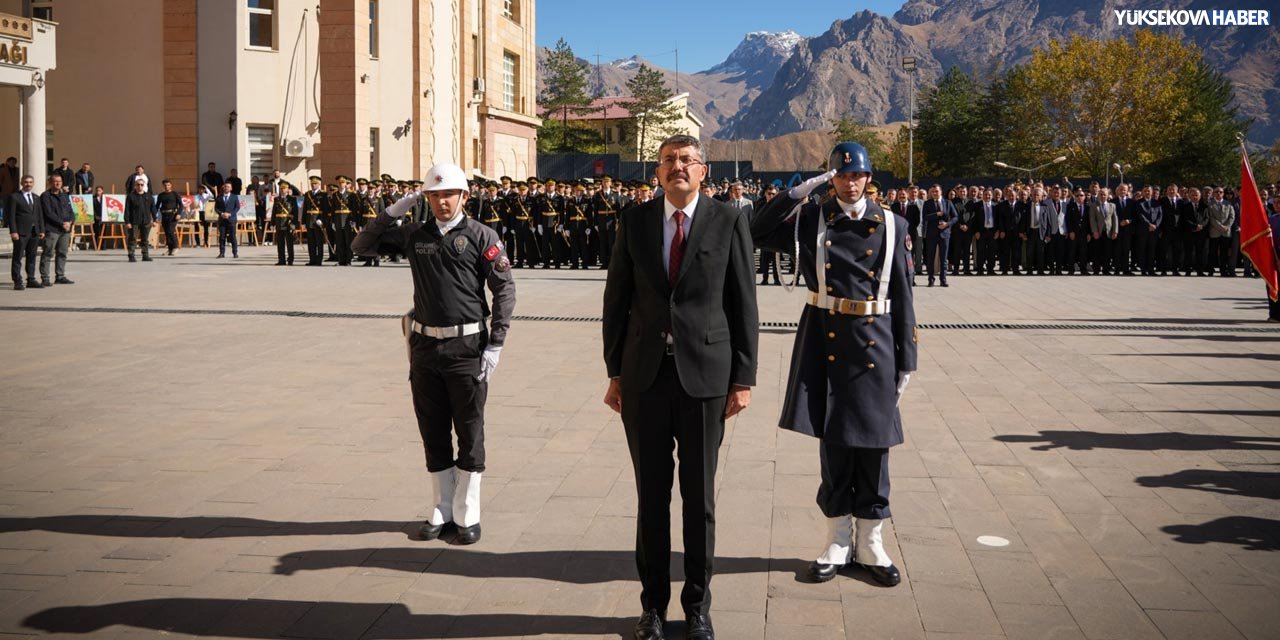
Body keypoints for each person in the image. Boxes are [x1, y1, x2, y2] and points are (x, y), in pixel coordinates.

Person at [602, 134, 759, 640]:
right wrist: (615, 372)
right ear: (657, 172)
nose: (678, 167)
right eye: (669, 160)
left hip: (705, 379)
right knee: (651, 499)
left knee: (699, 499)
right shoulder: (634, 220)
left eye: (688, 160)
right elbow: (616, 300)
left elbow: (743, 303)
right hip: (645, 379)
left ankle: (697, 607)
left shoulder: (728, 220)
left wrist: (743, 378)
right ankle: (652, 607)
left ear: (703, 170)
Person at [752, 142, 916, 590]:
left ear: (868, 178)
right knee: (834, 441)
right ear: (831, 179)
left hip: (876, 342)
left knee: (875, 443)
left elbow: (904, 293)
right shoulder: (811, 219)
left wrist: (908, 358)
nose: (849, 182)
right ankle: (838, 540)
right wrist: (795, 193)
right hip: (825, 336)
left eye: (856, 175)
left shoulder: (893, 225)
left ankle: (872, 541)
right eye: (840, 176)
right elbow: (757, 230)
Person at [352, 162, 515, 547]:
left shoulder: (481, 235)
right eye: (435, 195)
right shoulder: (415, 234)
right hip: (425, 347)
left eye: (449, 194)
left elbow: (504, 289)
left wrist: (496, 342)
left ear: (464, 196)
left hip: (467, 347)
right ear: (426, 198)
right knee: (432, 427)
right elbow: (361, 246)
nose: (442, 202)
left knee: (469, 429)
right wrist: (393, 211)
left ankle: (467, 509)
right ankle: (442, 506)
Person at [7, 174, 44, 290]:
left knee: (32, 256)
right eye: (26, 182)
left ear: (33, 184)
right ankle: (17, 281)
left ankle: (31, 279)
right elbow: (11, 216)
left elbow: (39, 215)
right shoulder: (14, 197)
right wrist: (13, 231)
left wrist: (41, 230)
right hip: (20, 232)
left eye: (30, 182)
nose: (28, 184)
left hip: (34, 232)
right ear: (21, 183)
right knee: (17, 257)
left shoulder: (36, 197)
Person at [38, 175, 75, 285]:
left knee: (62, 253)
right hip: (52, 229)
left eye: (60, 181)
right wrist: (62, 223)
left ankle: (60, 276)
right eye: (55, 181)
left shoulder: (65, 195)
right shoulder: (45, 196)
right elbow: (48, 213)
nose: (58, 183)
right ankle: (45, 278)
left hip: (65, 230)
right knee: (48, 253)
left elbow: (71, 211)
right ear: (50, 182)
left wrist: (70, 221)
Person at [921, 184, 956, 287]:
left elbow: (955, 217)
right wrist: (937, 214)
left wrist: (947, 224)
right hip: (931, 234)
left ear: (941, 192)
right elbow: (925, 217)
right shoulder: (927, 203)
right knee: (930, 258)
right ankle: (931, 279)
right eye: (933, 192)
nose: (934, 193)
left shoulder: (947, 202)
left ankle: (943, 279)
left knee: (944, 258)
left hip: (944, 234)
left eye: (936, 191)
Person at [124, 178, 155, 262]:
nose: (140, 186)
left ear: (144, 186)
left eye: (141, 185)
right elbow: (127, 210)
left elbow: (153, 208)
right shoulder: (131, 196)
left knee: (145, 239)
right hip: (134, 221)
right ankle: (131, 255)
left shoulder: (149, 196)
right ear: (135, 186)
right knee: (132, 239)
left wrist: (154, 219)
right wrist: (127, 222)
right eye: (138, 185)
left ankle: (145, 255)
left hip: (146, 221)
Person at [1208, 187, 1236, 276]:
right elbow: (1211, 217)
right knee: (1212, 252)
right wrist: (1220, 226)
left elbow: (1232, 216)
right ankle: (1211, 270)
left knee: (1224, 253)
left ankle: (1223, 271)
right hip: (1215, 231)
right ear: (1214, 193)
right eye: (1216, 192)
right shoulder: (1210, 204)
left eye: (1220, 192)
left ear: (1223, 194)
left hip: (1225, 232)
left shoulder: (1228, 204)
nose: (1219, 193)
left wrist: (1227, 226)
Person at [302, 176, 329, 266]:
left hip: (318, 221)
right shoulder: (307, 194)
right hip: (309, 220)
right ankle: (312, 260)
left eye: (315, 183)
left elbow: (325, 209)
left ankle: (319, 260)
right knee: (311, 242)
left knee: (319, 242)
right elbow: (305, 209)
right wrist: (303, 222)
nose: (313, 185)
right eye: (312, 184)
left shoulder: (323, 194)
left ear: (319, 184)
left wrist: (322, 220)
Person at [272, 181, 298, 265]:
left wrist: (294, 224)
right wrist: (272, 223)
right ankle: (281, 260)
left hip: (288, 223)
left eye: (284, 188)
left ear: (287, 189)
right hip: (279, 223)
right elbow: (274, 212)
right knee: (280, 243)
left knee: (289, 243)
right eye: (281, 188)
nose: (282, 190)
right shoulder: (277, 199)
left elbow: (295, 212)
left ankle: (290, 259)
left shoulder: (292, 199)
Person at [156, 179, 183, 256]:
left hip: (173, 215)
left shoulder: (175, 194)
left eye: (168, 185)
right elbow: (157, 206)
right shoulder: (161, 195)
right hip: (164, 215)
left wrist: (179, 213)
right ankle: (170, 249)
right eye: (165, 185)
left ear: (171, 185)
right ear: (163, 186)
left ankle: (175, 247)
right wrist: (154, 215)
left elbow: (181, 205)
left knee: (170, 231)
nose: (167, 186)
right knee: (167, 232)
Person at [214, 182, 239, 258]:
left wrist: (230, 214)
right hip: (222, 219)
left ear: (231, 188)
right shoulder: (219, 197)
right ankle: (222, 253)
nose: (226, 188)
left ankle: (235, 253)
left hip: (231, 219)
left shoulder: (234, 197)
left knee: (232, 236)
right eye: (225, 186)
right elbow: (216, 208)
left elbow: (237, 207)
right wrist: (221, 214)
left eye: (228, 187)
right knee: (222, 237)